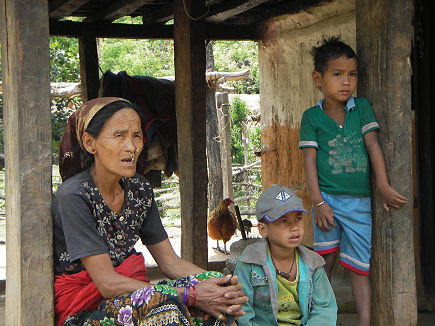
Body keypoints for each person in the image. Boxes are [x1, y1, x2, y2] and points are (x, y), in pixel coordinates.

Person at [53, 97, 248, 326]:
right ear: (89, 143)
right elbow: (107, 283)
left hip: (132, 295)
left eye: (136, 136)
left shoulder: (139, 189)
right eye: (119, 135)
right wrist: (189, 294)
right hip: (85, 308)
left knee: (220, 293)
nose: (131, 146)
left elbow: (170, 263)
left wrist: (222, 284)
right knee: (165, 305)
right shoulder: (74, 197)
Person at [299, 37, 408, 326]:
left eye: (352, 74)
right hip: (327, 202)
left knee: (361, 267)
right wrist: (318, 202)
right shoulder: (311, 118)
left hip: (359, 203)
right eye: (337, 74)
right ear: (318, 79)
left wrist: (383, 186)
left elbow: (373, 146)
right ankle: (320, 317)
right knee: (325, 263)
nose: (346, 81)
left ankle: (364, 322)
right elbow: (309, 161)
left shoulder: (361, 108)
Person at [234, 184, 337, 326]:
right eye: (283, 221)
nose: (294, 227)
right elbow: (242, 310)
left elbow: (325, 308)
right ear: (263, 229)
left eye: (298, 218)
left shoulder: (313, 263)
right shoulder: (250, 261)